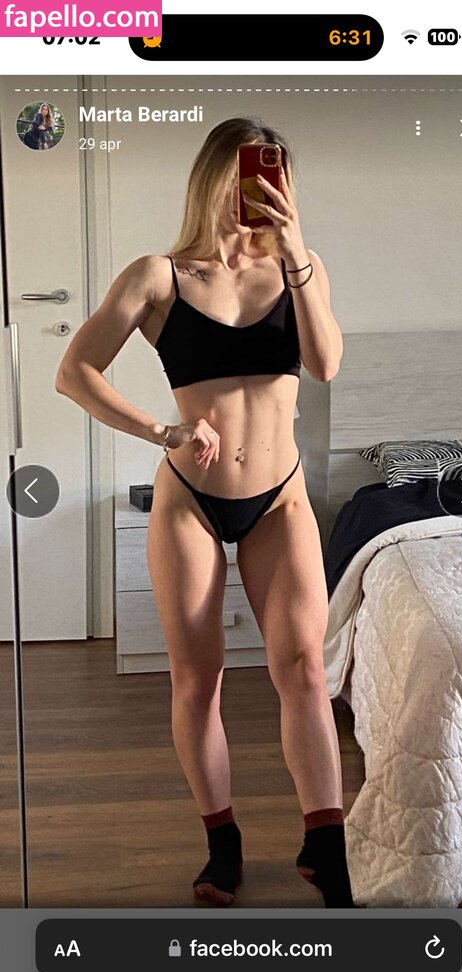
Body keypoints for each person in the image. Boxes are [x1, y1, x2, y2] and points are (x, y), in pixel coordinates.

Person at [55, 116, 353, 908]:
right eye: (246, 174)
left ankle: (326, 846)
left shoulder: (300, 268)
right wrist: (160, 430)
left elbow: (325, 364)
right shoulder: (158, 277)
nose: (259, 191)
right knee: (197, 680)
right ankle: (222, 843)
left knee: (305, 667)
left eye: (274, 176)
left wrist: (296, 253)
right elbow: (74, 370)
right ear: (212, 177)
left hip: (279, 496)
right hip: (191, 500)